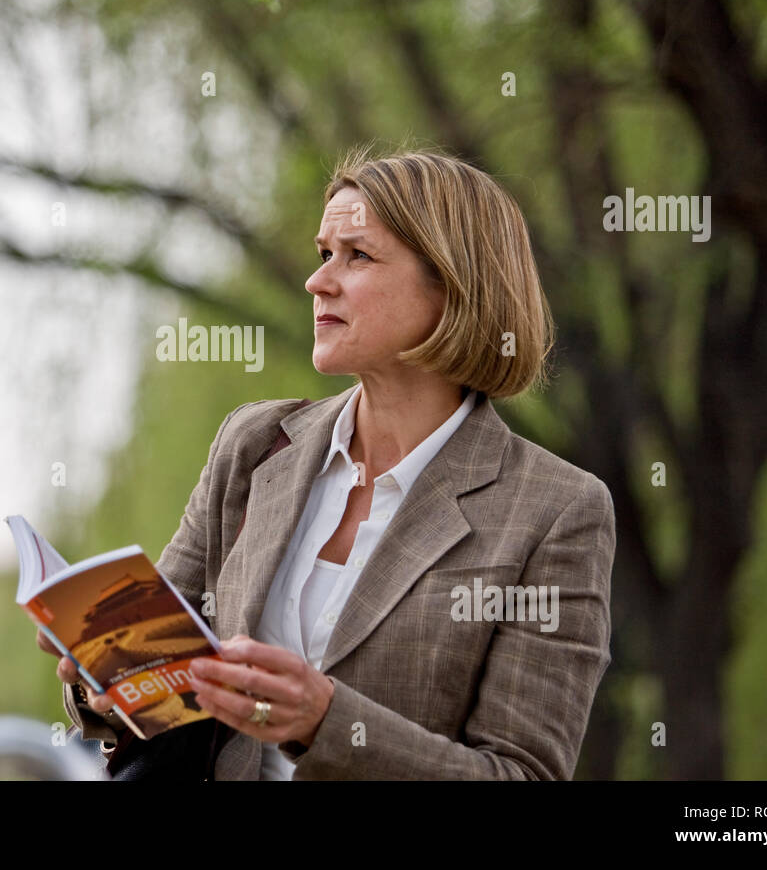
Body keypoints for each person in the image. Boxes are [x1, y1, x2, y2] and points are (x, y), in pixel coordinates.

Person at [40, 145, 616, 779]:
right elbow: (174, 684)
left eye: (358, 255)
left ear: (452, 285)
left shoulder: (556, 511)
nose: (318, 281)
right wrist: (104, 678)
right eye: (323, 254)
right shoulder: (255, 444)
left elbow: (523, 774)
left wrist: (325, 722)